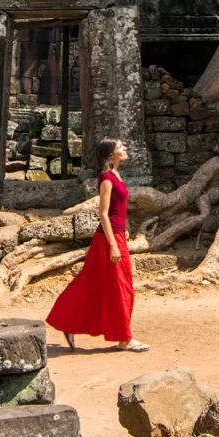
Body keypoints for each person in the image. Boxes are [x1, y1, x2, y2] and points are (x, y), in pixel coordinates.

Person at [46, 137, 148, 351]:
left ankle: (69, 322)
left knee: (96, 283)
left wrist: (122, 235)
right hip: (108, 238)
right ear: (111, 154)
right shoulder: (106, 179)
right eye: (120, 146)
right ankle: (124, 339)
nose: (125, 148)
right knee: (121, 287)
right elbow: (103, 213)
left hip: (117, 235)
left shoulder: (117, 175)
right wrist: (112, 244)